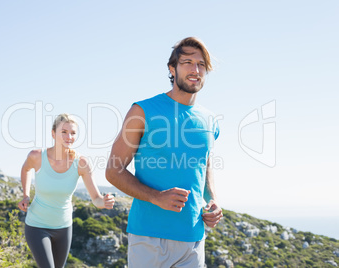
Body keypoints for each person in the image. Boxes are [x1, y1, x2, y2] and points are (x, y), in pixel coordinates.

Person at [106, 37, 223, 268]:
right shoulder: (143, 111)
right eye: (187, 62)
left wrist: (213, 201)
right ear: (172, 68)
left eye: (201, 64)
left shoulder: (210, 120)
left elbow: (204, 165)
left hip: (193, 239)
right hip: (149, 239)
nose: (195, 69)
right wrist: (155, 197)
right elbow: (113, 170)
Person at [18, 113, 115, 268]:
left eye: (73, 133)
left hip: (63, 228)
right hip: (37, 226)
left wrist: (103, 202)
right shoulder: (37, 156)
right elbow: (26, 169)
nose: (69, 136)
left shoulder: (82, 163)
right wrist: (25, 195)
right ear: (53, 133)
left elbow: (96, 198)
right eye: (64, 132)